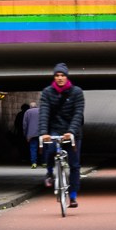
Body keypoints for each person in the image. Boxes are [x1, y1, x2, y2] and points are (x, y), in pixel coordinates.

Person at [38, 62, 86, 206]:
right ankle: (49, 172)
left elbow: (78, 114)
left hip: (72, 132)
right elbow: (44, 113)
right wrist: (43, 132)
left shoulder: (76, 92)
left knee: (74, 165)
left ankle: (73, 195)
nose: (60, 78)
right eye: (57, 75)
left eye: (62, 75)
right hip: (55, 129)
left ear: (67, 77)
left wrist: (71, 132)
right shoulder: (47, 92)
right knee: (51, 148)